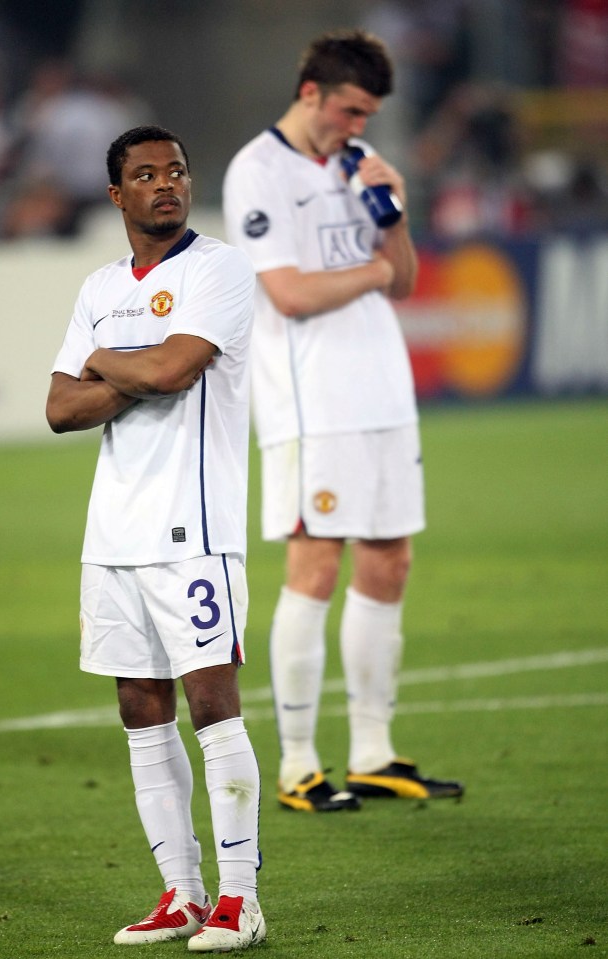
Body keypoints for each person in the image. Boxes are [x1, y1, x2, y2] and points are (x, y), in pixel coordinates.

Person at [223, 30, 464, 813]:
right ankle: (298, 762)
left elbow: (406, 281)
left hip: (382, 390)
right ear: (311, 93)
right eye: (350, 110)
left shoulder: (355, 165)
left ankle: (372, 751)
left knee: (390, 558)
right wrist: (374, 268)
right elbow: (289, 293)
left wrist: (391, 215)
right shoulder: (257, 172)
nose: (357, 125)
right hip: (310, 399)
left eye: (369, 114)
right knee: (316, 561)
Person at [46, 125, 265, 951]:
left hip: (194, 527)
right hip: (113, 533)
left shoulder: (217, 270)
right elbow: (60, 409)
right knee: (142, 711)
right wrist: (135, 364)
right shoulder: (102, 284)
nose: (165, 184)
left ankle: (241, 899)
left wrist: (107, 358)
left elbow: (176, 371)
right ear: (118, 196)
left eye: (175, 170)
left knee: (212, 706)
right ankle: (182, 893)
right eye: (145, 175)